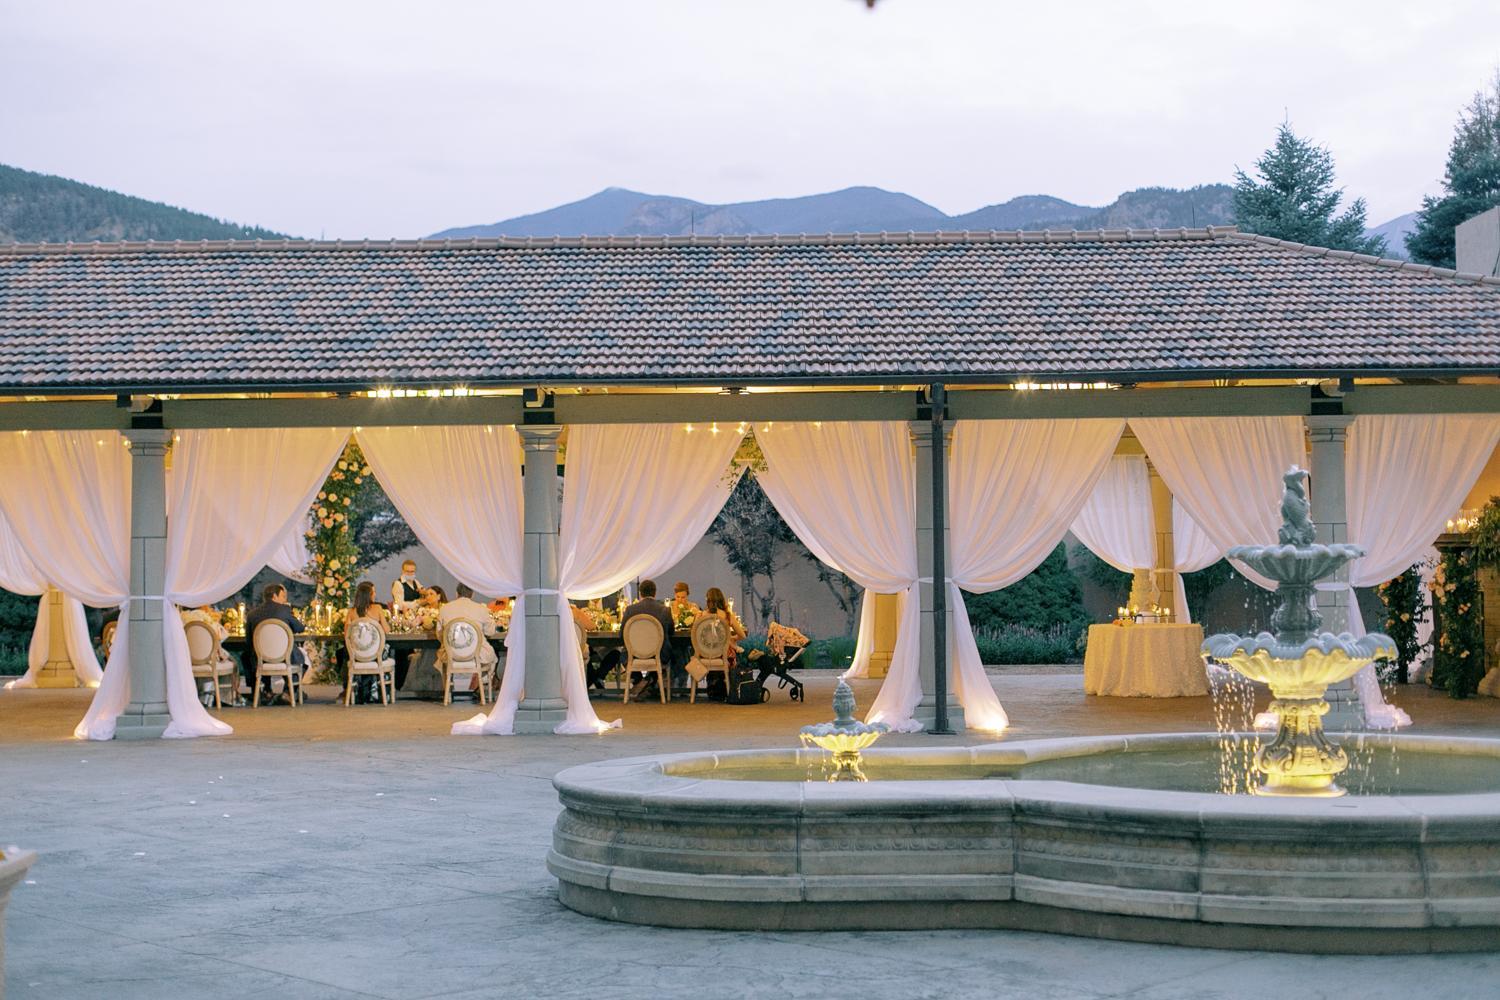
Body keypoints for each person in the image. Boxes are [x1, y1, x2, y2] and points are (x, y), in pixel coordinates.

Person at [243, 584, 306, 703]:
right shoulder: (284, 610)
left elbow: (249, 640)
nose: (285, 600)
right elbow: (300, 628)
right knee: (302, 660)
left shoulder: (252, 614)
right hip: (284, 657)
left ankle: (263, 691)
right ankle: (288, 691)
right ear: (274, 596)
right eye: (283, 596)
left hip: (260, 658)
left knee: (246, 655)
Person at [438, 583, 498, 698]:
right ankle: (479, 683)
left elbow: (440, 635)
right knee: (492, 657)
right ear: (472, 594)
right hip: (477, 655)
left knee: (441, 656)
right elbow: (491, 632)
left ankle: (448, 692)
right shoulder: (481, 609)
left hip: (452, 655)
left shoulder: (444, 608)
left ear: (456, 593)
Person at [621, 579, 674, 699]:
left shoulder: (630, 610)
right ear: (655, 593)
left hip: (634, 655)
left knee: (623, 655)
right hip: (659, 654)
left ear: (640, 593)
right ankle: (649, 680)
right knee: (671, 653)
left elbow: (622, 635)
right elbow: (671, 632)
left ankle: (640, 681)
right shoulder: (665, 610)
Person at [181, 605, 238, 706]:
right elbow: (221, 636)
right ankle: (225, 699)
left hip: (187, 660)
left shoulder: (180, 618)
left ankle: (204, 695)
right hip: (209, 661)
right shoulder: (207, 619)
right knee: (232, 661)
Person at [345, 580, 391, 701]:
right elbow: (387, 630)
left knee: (343, 654)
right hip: (376, 654)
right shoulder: (378, 608)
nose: (375, 594)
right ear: (368, 595)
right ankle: (378, 691)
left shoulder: (351, 612)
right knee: (389, 651)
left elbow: (347, 635)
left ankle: (355, 690)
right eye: (373, 592)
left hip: (357, 655)